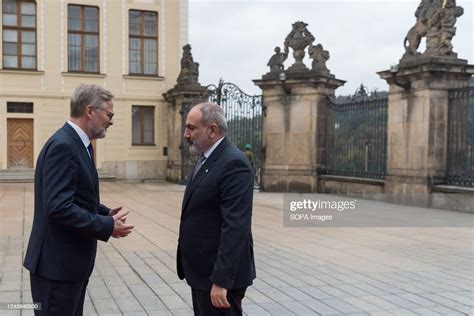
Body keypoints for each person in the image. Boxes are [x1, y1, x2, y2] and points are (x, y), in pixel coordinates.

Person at [24, 84, 134, 315]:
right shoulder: (63, 146)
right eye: (109, 114)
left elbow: (75, 196)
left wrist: (104, 213)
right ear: (90, 111)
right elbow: (58, 207)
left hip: (69, 266)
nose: (111, 121)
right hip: (56, 269)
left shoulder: (79, 144)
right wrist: (106, 226)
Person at [177, 102, 256, 315]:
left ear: (212, 129)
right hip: (202, 272)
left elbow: (235, 226)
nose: (186, 134)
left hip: (218, 277)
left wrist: (221, 281)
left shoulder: (234, 163)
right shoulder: (206, 158)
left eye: (191, 128)